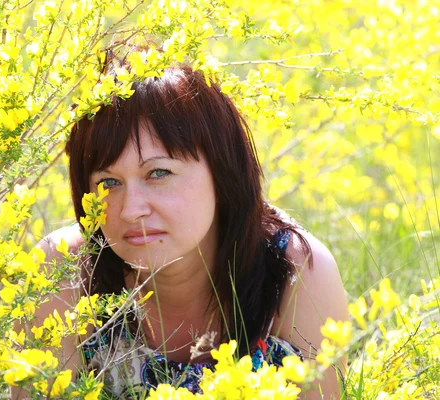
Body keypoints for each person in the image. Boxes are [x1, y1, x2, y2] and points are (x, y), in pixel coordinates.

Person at [22, 63, 349, 399]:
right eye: (109, 182)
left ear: (223, 172)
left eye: (158, 173)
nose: (132, 209)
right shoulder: (61, 270)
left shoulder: (297, 273)